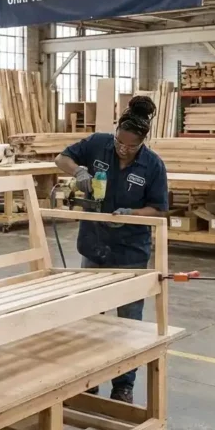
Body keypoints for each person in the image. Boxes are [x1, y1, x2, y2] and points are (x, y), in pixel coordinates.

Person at [55, 96, 169, 403]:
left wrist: (132, 216)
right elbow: (60, 158)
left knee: (127, 322)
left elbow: (159, 209)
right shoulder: (98, 144)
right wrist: (78, 171)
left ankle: (123, 385)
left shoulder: (153, 165)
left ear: (142, 142)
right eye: (120, 143)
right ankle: (89, 378)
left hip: (130, 250)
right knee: (91, 317)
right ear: (116, 132)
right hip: (93, 244)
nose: (123, 149)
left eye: (131, 147)